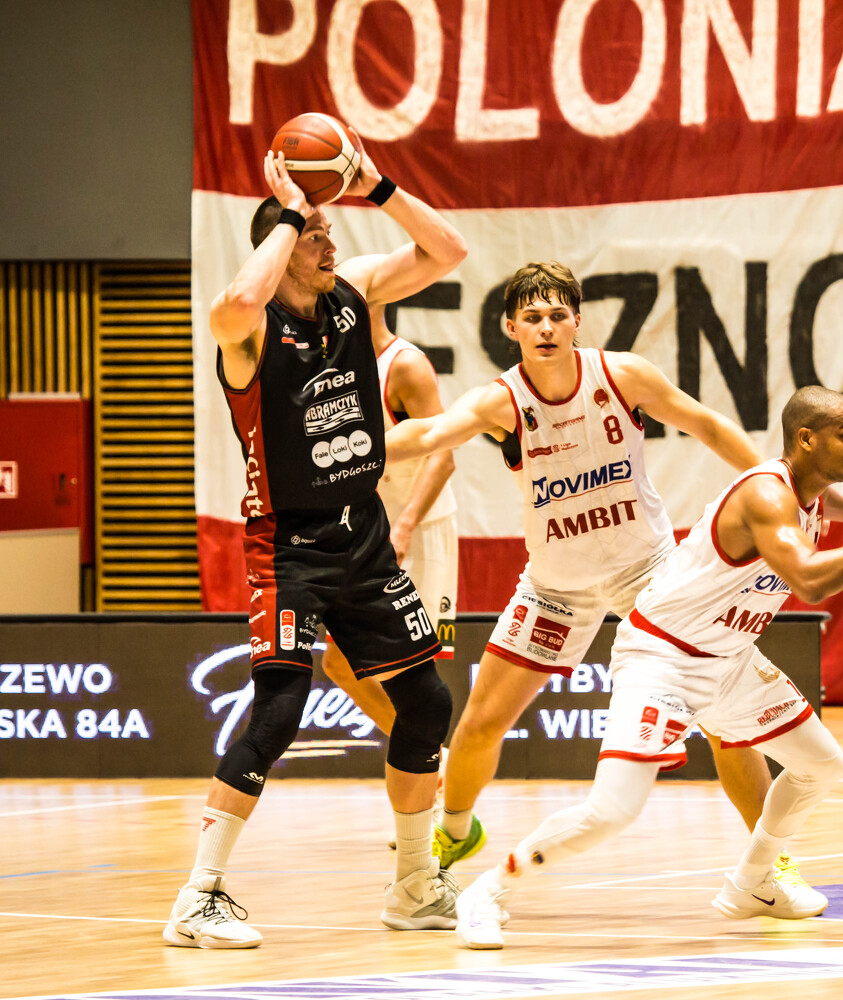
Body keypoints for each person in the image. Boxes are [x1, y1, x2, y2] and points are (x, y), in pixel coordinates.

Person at [384, 262, 843, 893]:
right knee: (482, 721)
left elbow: (709, 425)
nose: (545, 328)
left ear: (577, 321)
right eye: (531, 317)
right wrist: (347, 447)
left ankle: (768, 868)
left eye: (557, 315)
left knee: (727, 725)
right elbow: (426, 433)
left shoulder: (621, 375)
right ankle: (455, 831)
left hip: (648, 572)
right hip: (556, 586)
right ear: (510, 328)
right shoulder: (500, 400)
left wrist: (781, 491)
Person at [451, 386, 843, 948]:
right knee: (612, 811)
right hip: (664, 658)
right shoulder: (765, 497)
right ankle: (487, 892)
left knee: (821, 763)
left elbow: (826, 507)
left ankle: (754, 882)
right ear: (805, 439)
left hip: (728, 660)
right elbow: (810, 580)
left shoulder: (807, 492)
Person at [164, 141, 468, 949]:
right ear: (282, 244)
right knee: (279, 710)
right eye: (316, 235)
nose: (332, 243)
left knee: (428, 703)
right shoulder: (246, 329)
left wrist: (379, 186)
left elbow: (448, 251)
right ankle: (198, 896)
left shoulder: (352, 295)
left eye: (332, 231)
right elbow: (237, 296)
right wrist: (292, 212)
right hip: (288, 545)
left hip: (363, 535)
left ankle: (414, 885)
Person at [320, 305, 458, 741]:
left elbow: (443, 457)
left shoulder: (404, 365)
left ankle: (428, 764)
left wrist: (405, 526)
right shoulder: (328, 364)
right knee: (340, 663)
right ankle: (427, 757)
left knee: (416, 666)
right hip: (366, 533)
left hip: (416, 529)